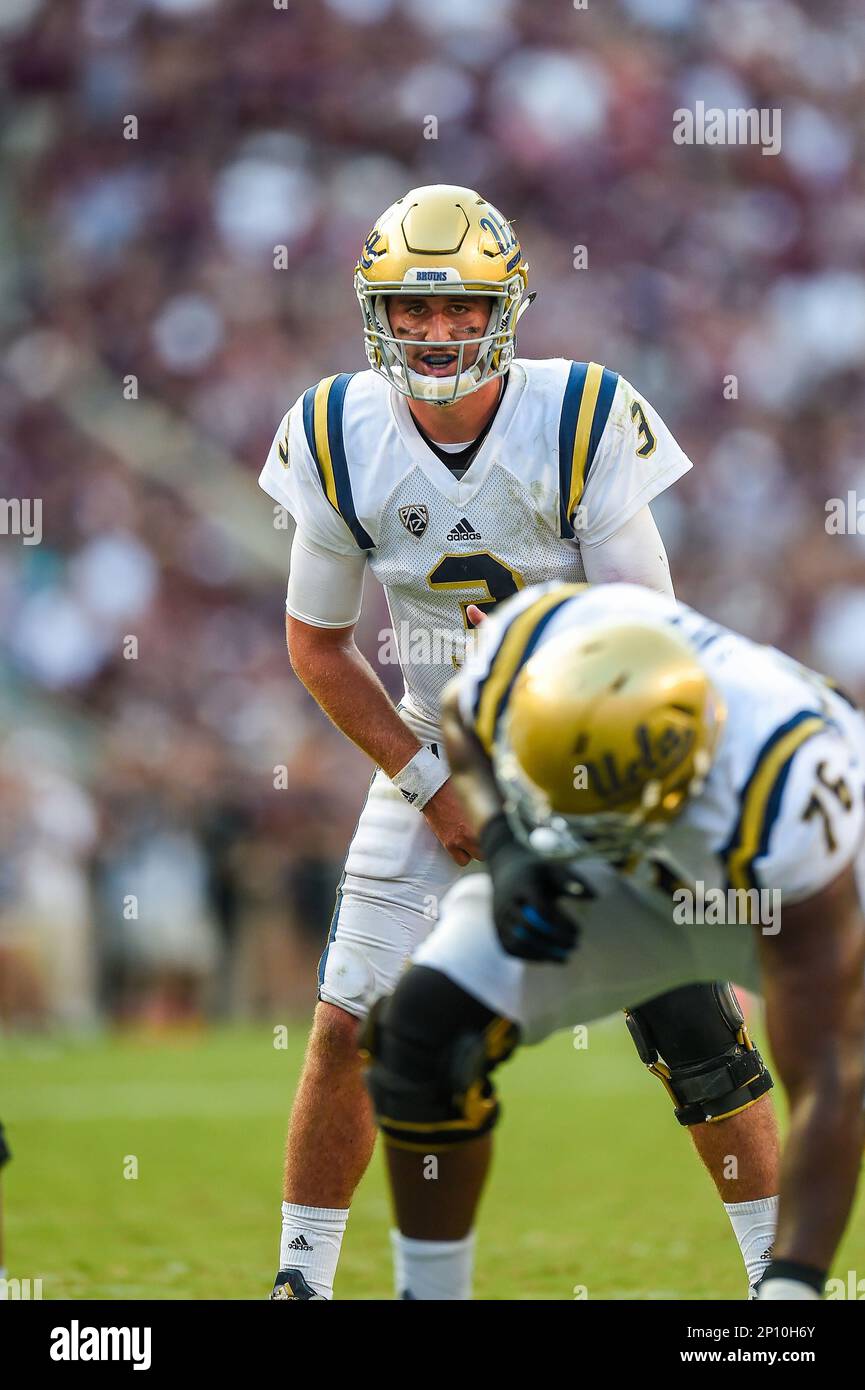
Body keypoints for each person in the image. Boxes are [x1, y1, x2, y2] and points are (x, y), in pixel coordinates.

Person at [259, 185, 778, 1300]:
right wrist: (434, 785)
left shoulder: (582, 412)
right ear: (375, 313)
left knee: (695, 1030)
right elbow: (317, 643)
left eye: (461, 309)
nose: (437, 331)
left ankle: (778, 1287)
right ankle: (298, 1281)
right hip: (430, 749)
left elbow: (650, 637)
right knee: (349, 1025)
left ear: (507, 308)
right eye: (412, 308)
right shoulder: (332, 432)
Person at [364, 581, 865, 1301]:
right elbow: (464, 721)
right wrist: (507, 847)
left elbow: (825, 1073)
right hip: (626, 873)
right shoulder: (527, 649)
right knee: (421, 1034)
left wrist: (793, 1302)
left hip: (760, 892)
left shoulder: (784, 789)